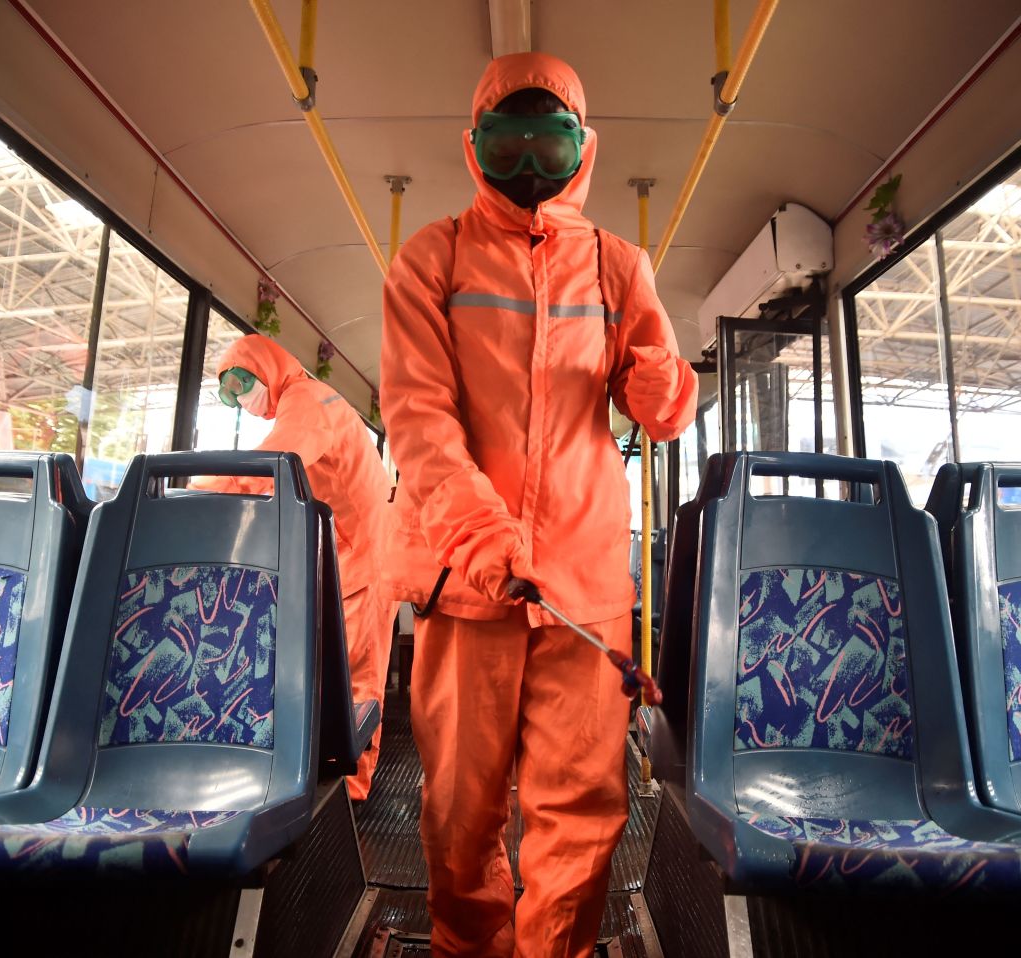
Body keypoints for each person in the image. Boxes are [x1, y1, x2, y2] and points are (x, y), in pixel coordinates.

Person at [380, 52, 697, 957]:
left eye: (547, 145)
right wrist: (482, 536)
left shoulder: (617, 265)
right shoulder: (431, 258)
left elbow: (665, 407)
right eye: (506, 144)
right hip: (465, 583)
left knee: (582, 816)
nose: (527, 166)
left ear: (581, 148)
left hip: (581, 589)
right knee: (458, 814)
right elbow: (418, 417)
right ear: (475, 146)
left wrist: (663, 383)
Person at [193, 333, 395, 800]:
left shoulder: (307, 402)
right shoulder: (301, 402)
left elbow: (273, 466)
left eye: (243, 384)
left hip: (368, 557)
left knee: (359, 675)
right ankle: (333, 774)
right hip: (351, 553)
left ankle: (353, 790)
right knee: (341, 671)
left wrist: (200, 493)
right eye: (231, 394)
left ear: (270, 368)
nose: (242, 399)